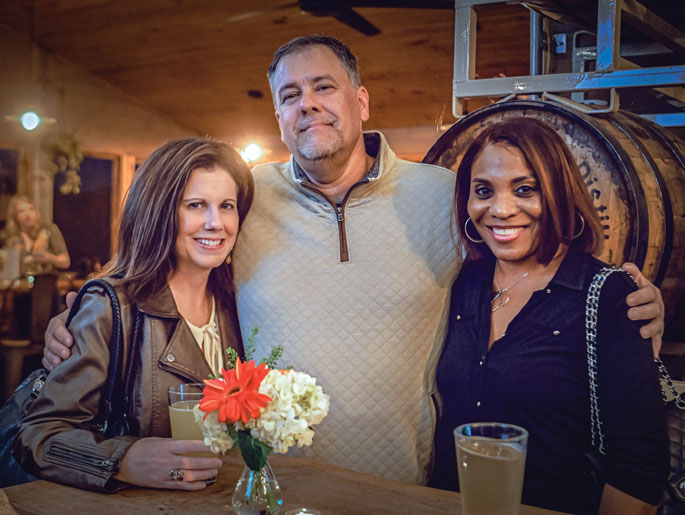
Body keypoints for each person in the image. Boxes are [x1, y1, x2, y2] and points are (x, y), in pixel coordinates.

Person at [42, 35, 666, 485]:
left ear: (361, 101)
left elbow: (524, 263)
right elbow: (164, 270)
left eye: (324, 87)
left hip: (411, 485)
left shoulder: (441, 193)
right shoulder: (245, 198)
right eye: (290, 95)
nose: (308, 103)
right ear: (280, 117)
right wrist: (81, 312)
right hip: (265, 484)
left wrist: (621, 300)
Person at [429, 118, 668, 514]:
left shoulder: (607, 295)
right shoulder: (460, 283)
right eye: (483, 191)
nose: (501, 210)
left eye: (525, 189)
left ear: (559, 192)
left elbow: (639, 465)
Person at [13, 138, 252, 491]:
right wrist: (122, 460)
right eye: (196, 205)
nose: (216, 222)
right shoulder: (111, 306)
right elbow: (37, 436)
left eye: (227, 205)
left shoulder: (241, 304)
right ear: (157, 211)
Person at [1, 194, 70, 274]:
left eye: (31, 209)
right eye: (21, 211)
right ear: (15, 216)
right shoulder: (13, 238)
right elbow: (10, 272)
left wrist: (49, 258)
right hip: (22, 283)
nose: (28, 214)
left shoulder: (49, 230)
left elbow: (66, 262)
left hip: (47, 280)